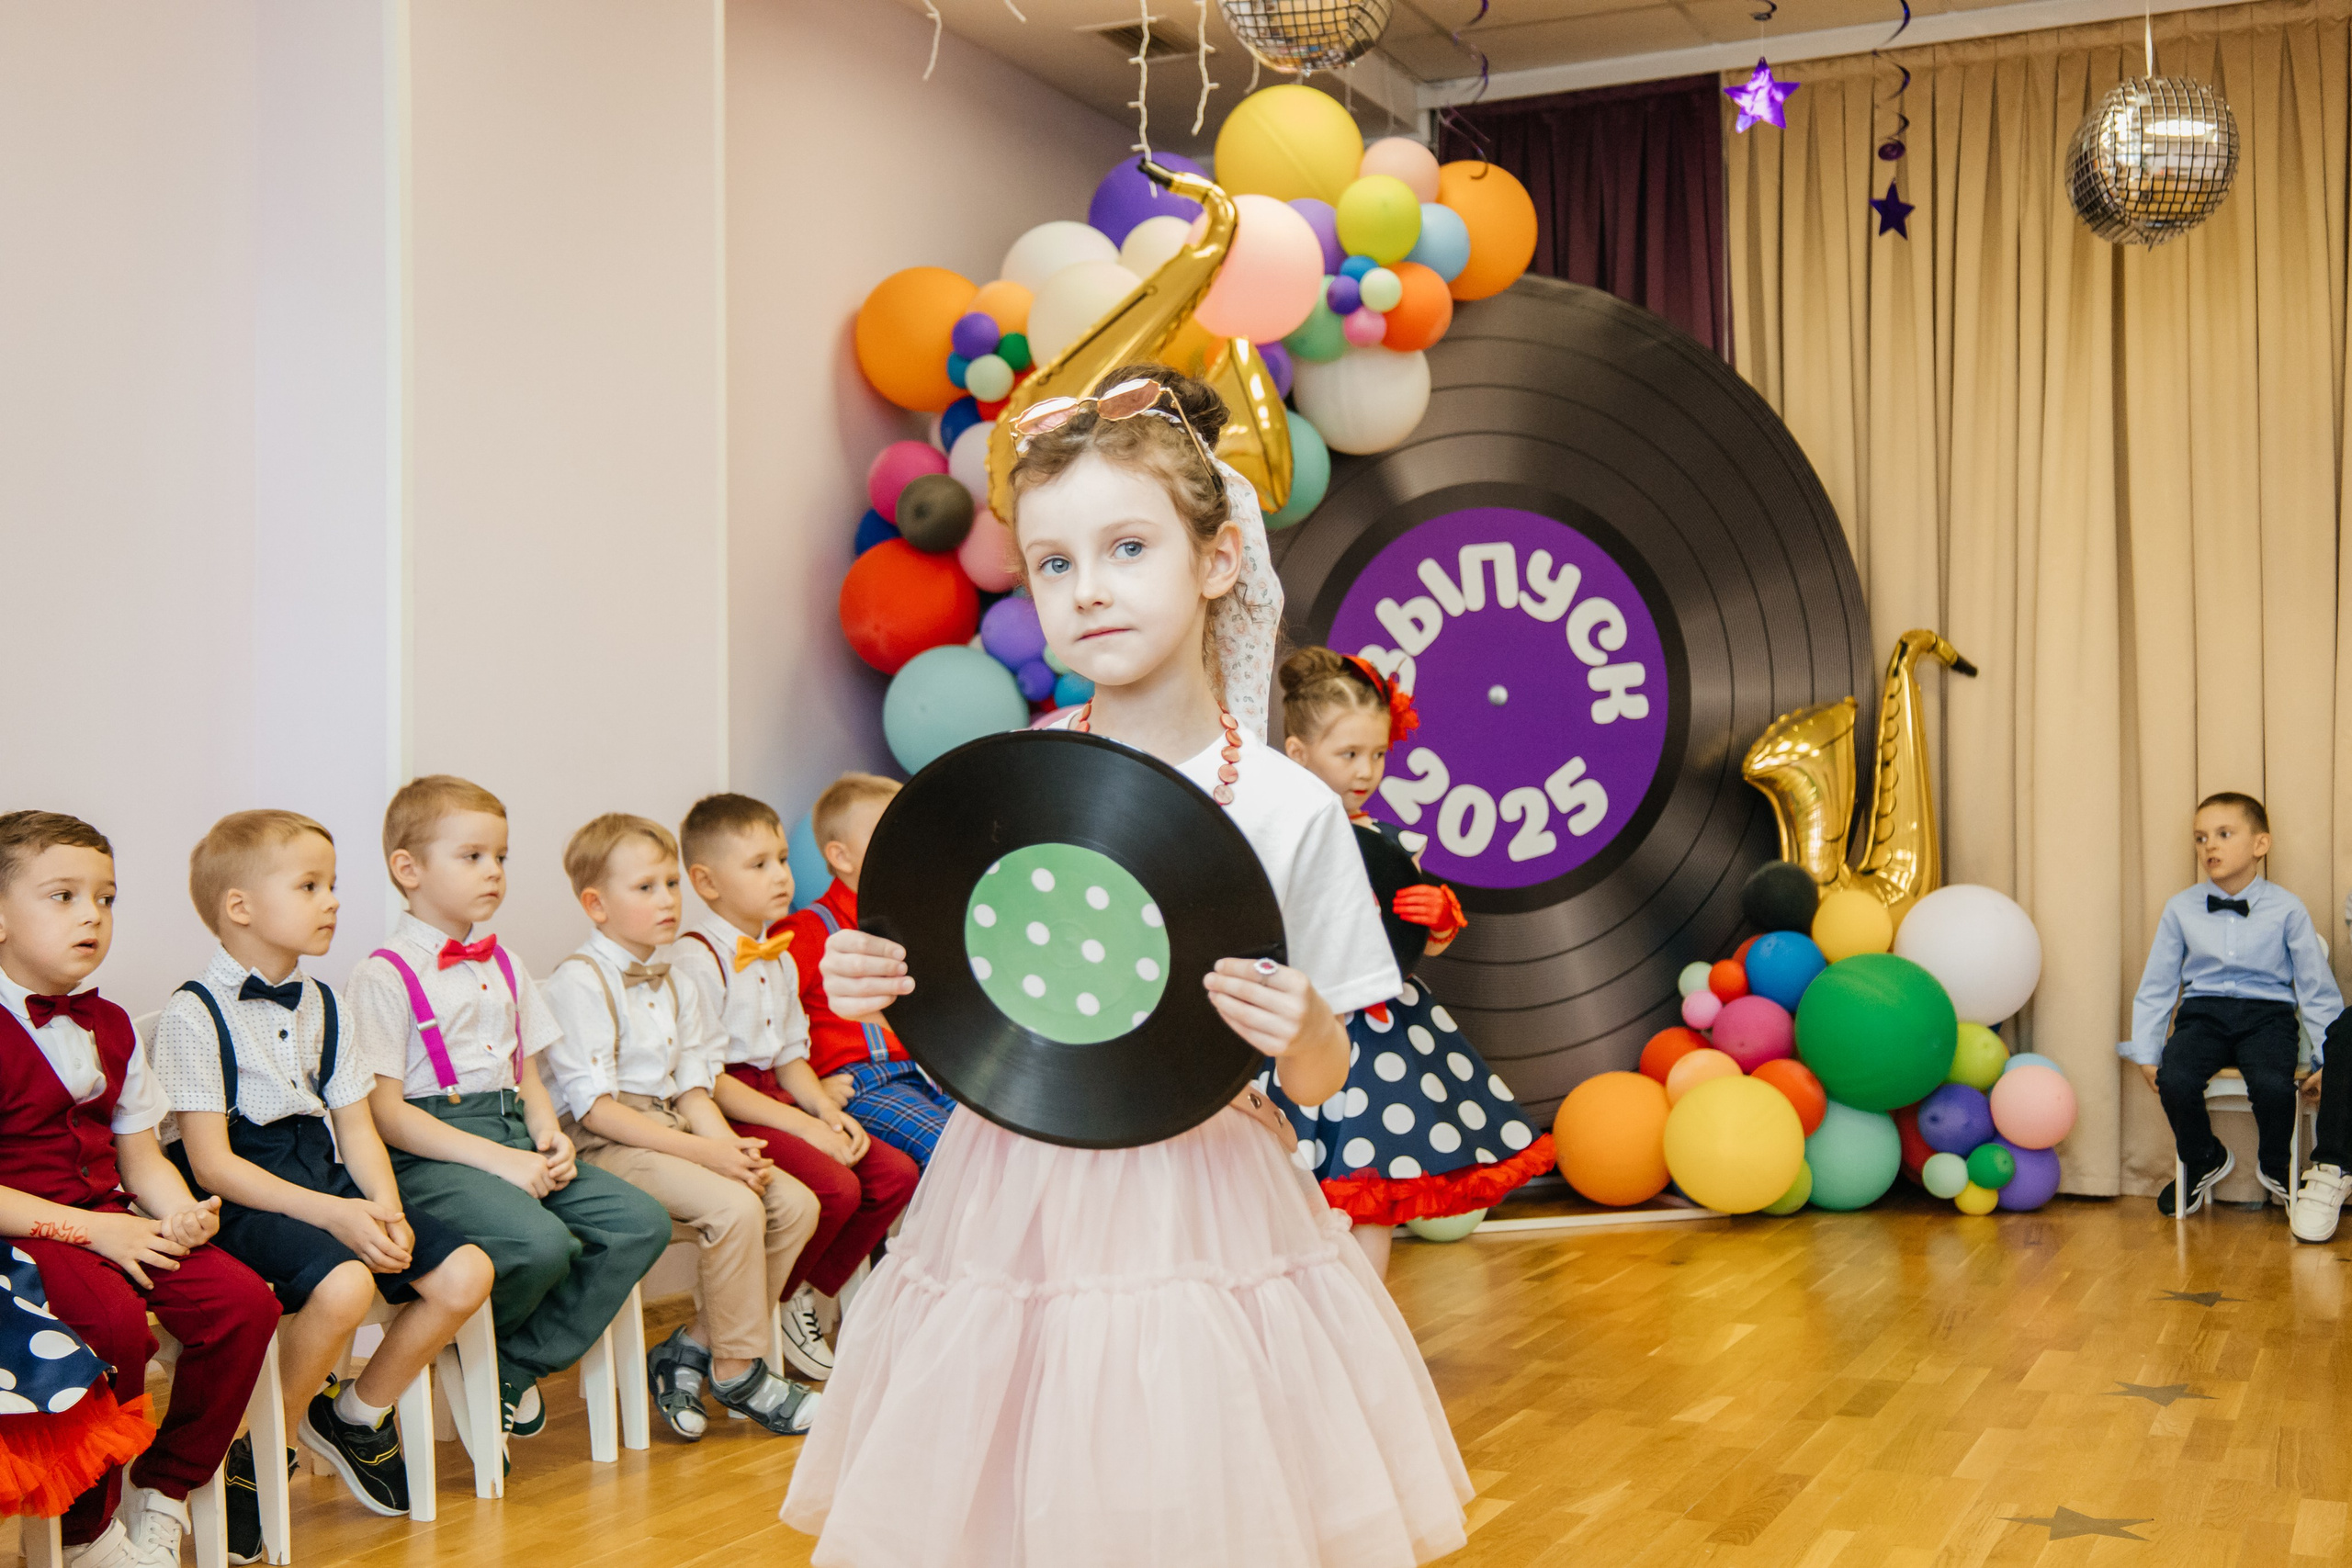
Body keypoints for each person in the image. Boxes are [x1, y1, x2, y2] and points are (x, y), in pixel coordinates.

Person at [784, 365, 1471, 1567]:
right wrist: (873, 984)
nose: (1088, 588)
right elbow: (968, 1003)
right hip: (1009, 1198)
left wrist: (1304, 1026)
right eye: (1054, 563)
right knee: (1010, 1498)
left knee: (1187, 1490)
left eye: (1128, 546)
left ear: (1215, 561)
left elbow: (1327, 1078)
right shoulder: (1014, 776)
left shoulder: (1291, 808)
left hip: (1204, 1204)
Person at [154, 811, 494, 1521]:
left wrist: (384, 1207)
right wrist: (339, 1215)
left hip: (321, 1174)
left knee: (466, 1271)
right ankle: (260, 1447)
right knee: (343, 1284)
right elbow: (213, 1165)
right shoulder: (194, 1013)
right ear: (239, 907)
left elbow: (358, 1128)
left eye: (332, 883)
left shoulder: (328, 1003)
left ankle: (355, 1413)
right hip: (245, 1195)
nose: (333, 899)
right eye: (310, 885)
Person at [348, 775, 670, 1444]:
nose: (493, 871)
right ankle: (467, 1350)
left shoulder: (508, 964)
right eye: (472, 856)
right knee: (538, 1242)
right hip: (435, 1149)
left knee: (638, 1221)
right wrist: (500, 1159)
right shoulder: (382, 974)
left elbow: (525, 1071)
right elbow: (385, 1113)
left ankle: (510, 1364)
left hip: (514, 1130)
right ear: (407, 869)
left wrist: (549, 1133)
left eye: (500, 856)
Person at [0, 811, 279, 1568]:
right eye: (63, 895)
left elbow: (139, 1154)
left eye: (107, 897)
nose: (92, 913)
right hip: (20, 1235)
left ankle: (163, 1489)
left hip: (106, 1218)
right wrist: (97, 1233)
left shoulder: (112, 1022)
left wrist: (178, 1210)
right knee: (114, 1326)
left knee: (243, 1301)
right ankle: (87, 1532)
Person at [1266, 648, 1556, 1279]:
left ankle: (1370, 1327)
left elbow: (1409, 944)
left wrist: (1439, 918)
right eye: (1349, 755)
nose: (1366, 771)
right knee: (1280, 1188)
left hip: (1377, 1036)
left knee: (1369, 1189)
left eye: (1377, 754)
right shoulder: (1273, 835)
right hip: (1294, 1027)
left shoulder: (1394, 844)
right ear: (1297, 754)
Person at [538, 813, 821, 1441]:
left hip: (669, 1123)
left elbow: (694, 1090)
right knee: (734, 1207)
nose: (667, 899)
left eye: (671, 883)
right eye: (646, 888)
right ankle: (739, 1368)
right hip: (607, 1142)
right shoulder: (578, 981)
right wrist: (708, 1156)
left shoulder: (677, 980)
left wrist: (729, 1147)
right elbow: (597, 1112)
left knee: (793, 1203)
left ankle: (689, 1347)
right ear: (596, 904)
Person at [674, 793, 918, 1382]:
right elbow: (709, 1083)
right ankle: (747, 1319)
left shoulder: (779, 957)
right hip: (724, 1106)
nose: (781, 876)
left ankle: (796, 1294)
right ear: (706, 883)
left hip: (777, 1096)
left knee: (892, 1174)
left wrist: (825, 1114)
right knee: (834, 1187)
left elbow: (790, 1061)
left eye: (782, 860)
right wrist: (806, 1125)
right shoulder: (695, 957)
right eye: (758, 865)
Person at [2122, 792, 2339, 1217]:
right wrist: (2146, 1051)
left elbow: (2316, 987)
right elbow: (2158, 984)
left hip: (2268, 1017)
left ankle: (2276, 1162)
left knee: (2275, 1086)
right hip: (2202, 1015)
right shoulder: (2181, 908)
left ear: (2260, 844)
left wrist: (2326, 1057)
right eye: (2201, 838)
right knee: (2175, 1078)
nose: (2210, 847)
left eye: (2224, 834)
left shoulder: (2287, 908)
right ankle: (2204, 1157)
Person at [777, 775, 957, 1168]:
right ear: (842, 857)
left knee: (996, 1140)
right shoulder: (804, 932)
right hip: (867, 1082)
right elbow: (772, 1031)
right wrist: (811, 1093)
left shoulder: (915, 922)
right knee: (951, 1154)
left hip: (927, 1072)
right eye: (887, 832)